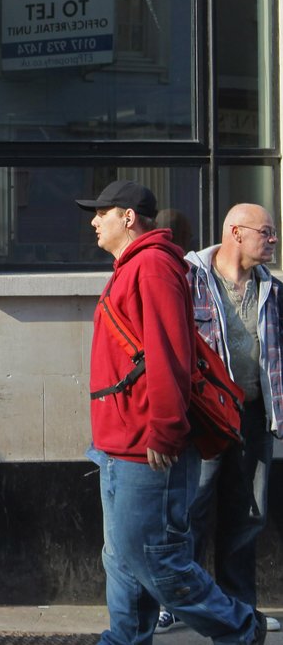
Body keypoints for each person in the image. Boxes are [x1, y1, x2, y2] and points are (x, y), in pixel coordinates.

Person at [75, 180, 266, 645]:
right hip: (119, 443)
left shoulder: (154, 267)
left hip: (146, 447)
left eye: (103, 212)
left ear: (128, 217)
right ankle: (124, 640)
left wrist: (163, 431)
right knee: (122, 558)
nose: (93, 221)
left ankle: (241, 628)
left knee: (157, 558)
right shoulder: (130, 268)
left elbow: (169, 356)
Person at [156, 204, 283, 634]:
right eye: (265, 232)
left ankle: (238, 606)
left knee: (247, 515)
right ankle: (178, 602)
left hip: (253, 418)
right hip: (206, 419)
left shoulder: (273, 291)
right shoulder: (190, 280)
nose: (273, 240)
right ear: (235, 232)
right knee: (192, 510)